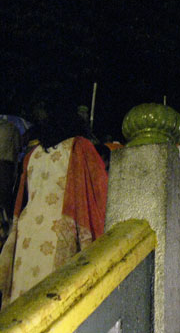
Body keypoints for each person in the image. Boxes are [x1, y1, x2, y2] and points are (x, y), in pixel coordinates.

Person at [0, 104, 108, 306]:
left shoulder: (33, 155)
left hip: (27, 236)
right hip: (58, 232)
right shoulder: (80, 146)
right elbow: (100, 192)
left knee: (23, 299)